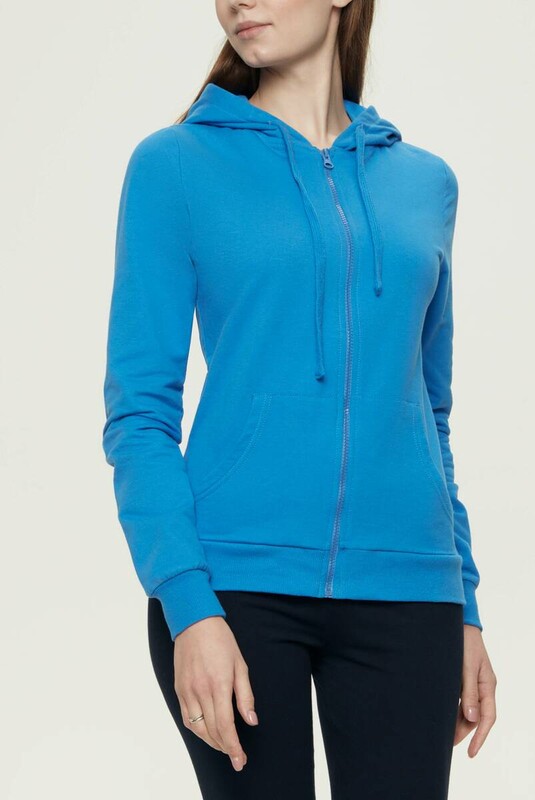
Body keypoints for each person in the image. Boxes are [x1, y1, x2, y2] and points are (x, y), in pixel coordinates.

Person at [101, 1, 498, 797]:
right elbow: (139, 415)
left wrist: (464, 604)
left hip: (409, 588)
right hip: (233, 588)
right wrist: (188, 604)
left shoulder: (426, 184)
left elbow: (429, 411)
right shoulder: (175, 166)